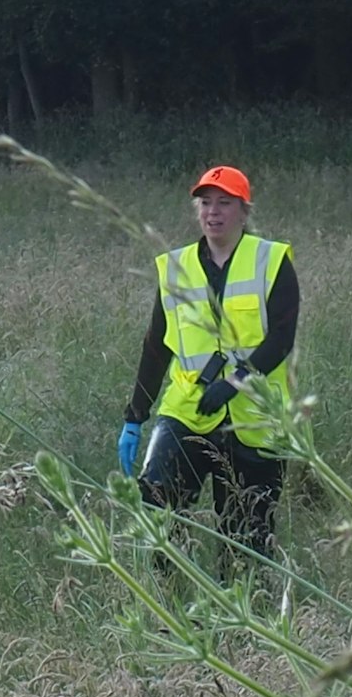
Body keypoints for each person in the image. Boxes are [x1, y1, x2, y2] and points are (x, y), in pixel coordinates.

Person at [118, 165, 299, 559]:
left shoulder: (272, 260)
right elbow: (156, 346)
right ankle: (172, 608)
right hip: (187, 409)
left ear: (244, 211)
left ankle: (242, 615)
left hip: (256, 415)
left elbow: (281, 338)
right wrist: (135, 415)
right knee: (157, 508)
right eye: (205, 203)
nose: (213, 212)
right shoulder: (175, 268)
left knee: (247, 535)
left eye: (224, 203)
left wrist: (234, 382)